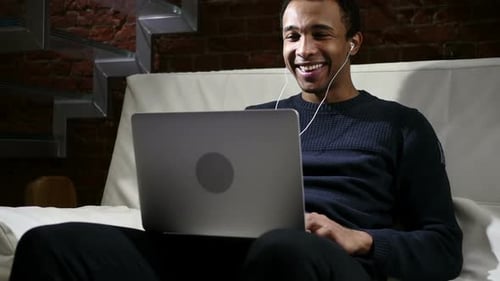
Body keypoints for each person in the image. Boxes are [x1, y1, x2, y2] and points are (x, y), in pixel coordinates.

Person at [9, 0, 463, 280]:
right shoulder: (255, 122)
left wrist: (360, 239)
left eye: (320, 34)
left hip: (318, 262)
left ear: (354, 43)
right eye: (292, 36)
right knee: (49, 245)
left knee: (281, 246)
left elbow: (443, 248)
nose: (303, 49)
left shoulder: (400, 125)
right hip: (222, 259)